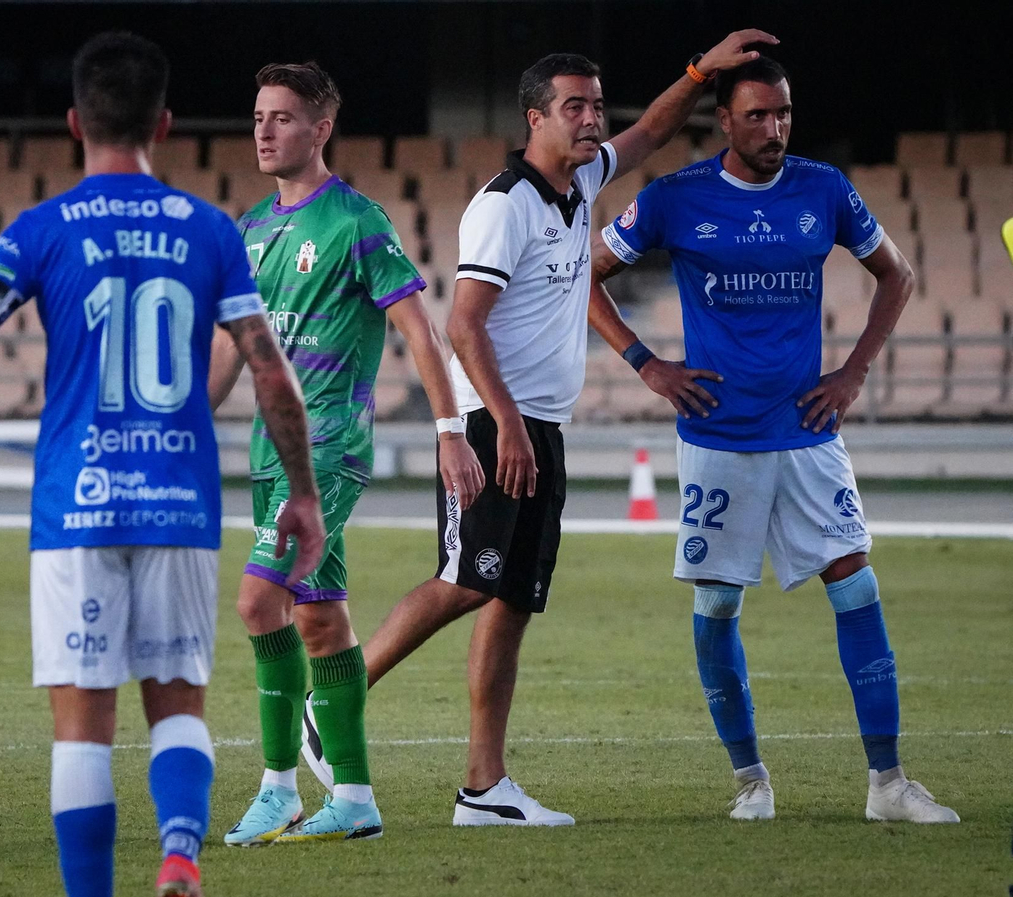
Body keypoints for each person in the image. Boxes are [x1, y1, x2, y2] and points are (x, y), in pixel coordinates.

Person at [0, 32, 326, 897]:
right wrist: (302, 492)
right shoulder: (211, 231)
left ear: (75, 121)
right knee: (178, 704)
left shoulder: (40, 231)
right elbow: (270, 370)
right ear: (166, 122)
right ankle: (181, 854)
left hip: (75, 503)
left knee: (82, 726)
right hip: (178, 501)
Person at [299, 31, 778, 827]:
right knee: (465, 578)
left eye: (596, 105)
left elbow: (653, 131)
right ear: (535, 118)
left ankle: (484, 788)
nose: (592, 120)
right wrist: (507, 427)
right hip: (497, 422)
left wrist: (699, 70)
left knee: (511, 597)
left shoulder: (583, 179)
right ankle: (332, 703)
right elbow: (463, 325)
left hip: (538, 426)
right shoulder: (504, 205)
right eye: (574, 107)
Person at [590, 56, 959, 824]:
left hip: (806, 429)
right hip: (717, 433)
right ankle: (751, 779)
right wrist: (646, 363)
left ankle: (888, 784)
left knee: (855, 580)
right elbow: (579, 275)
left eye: (784, 113)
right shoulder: (675, 198)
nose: (775, 128)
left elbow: (898, 275)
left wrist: (853, 372)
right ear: (723, 120)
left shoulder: (823, 187)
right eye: (757, 115)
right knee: (721, 601)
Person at [210, 61, 485, 846]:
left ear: (321, 128)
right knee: (321, 623)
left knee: (258, 602)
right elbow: (229, 356)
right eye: (259, 115)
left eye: (283, 117)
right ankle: (356, 799)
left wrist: (449, 430)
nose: (264, 130)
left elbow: (418, 332)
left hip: (329, 444)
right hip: (271, 453)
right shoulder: (250, 230)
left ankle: (276, 787)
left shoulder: (357, 221)